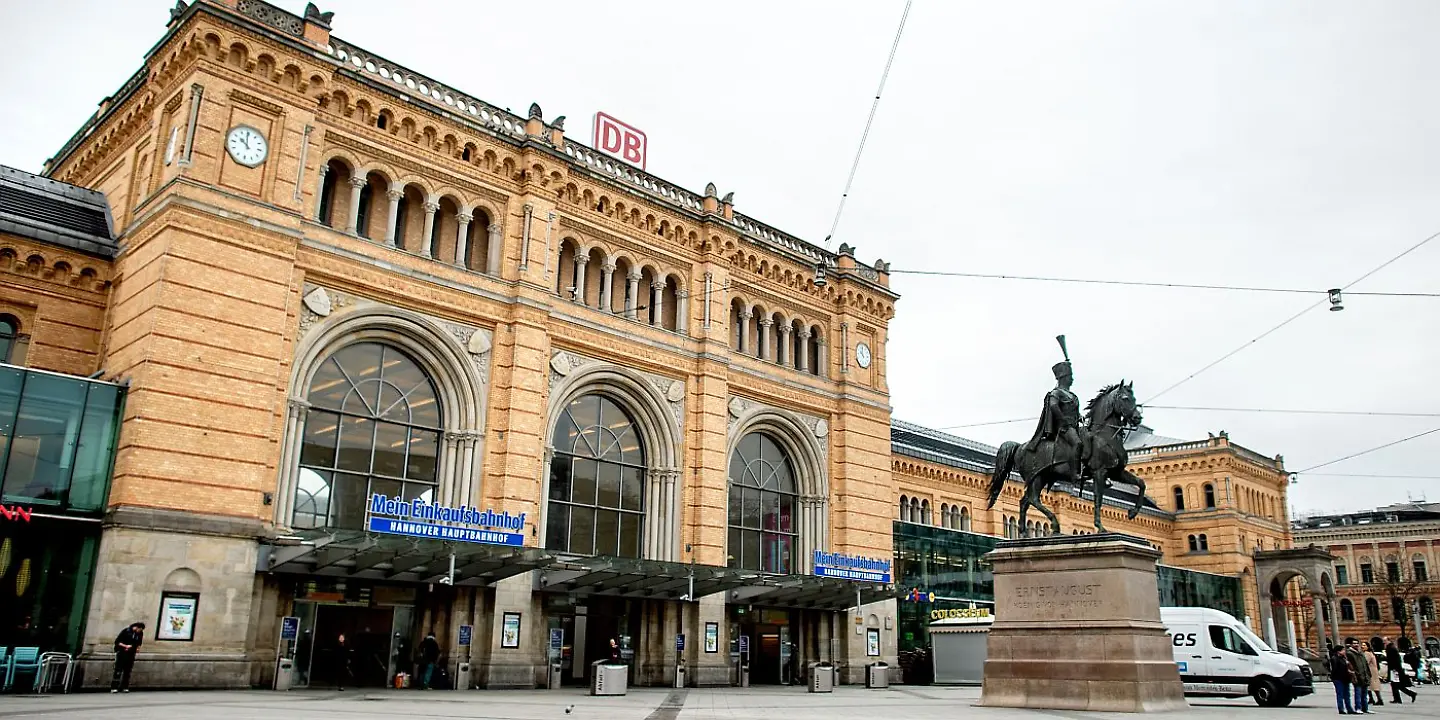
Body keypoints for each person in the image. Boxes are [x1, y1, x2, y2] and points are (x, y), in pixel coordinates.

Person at [111, 622, 145, 693]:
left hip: (131, 653)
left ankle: (125, 687)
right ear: (136, 627)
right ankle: (114, 687)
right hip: (122, 652)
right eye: (139, 629)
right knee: (118, 670)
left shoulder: (139, 634)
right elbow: (117, 642)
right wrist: (126, 646)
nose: (140, 631)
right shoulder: (126, 631)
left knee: (128, 671)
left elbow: (139, 642)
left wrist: (137, 648)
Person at [1345, 638, 1372, 713]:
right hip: (1357, 676)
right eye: (1354, 643)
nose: (1356, 645)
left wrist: (1368, 674)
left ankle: (1365, 708)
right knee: (1358, 693)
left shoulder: (1361, 653)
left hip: (1365, 675)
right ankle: (1358, 708)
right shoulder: (1350, 653)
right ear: (1351, 645)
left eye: (1357, 643)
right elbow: (1352, 666)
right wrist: (1356, 674)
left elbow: (1365, 664)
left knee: (1364, 694)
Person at [1332, 644, 1357, 715]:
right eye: (1342, 650)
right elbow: (1335, 669)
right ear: (1338, 651)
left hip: (1346, 679)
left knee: (1347, 695)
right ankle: (1341, 709)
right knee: (1340, 694)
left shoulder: (1344, 658)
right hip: (1338, 679)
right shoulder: (1334, 658)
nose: (1344, 651)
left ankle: (1349, 709)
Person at [1367, 641, 1385, 706]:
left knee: (1371, 686)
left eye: (1364, 645)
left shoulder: (1367, 653)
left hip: (1370, 671)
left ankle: (1377, 699)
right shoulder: (1372, 653)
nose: (1362, 647)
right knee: (1372, 686)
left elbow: (1366, 662)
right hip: (1373, 671)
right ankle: (1374, 699)